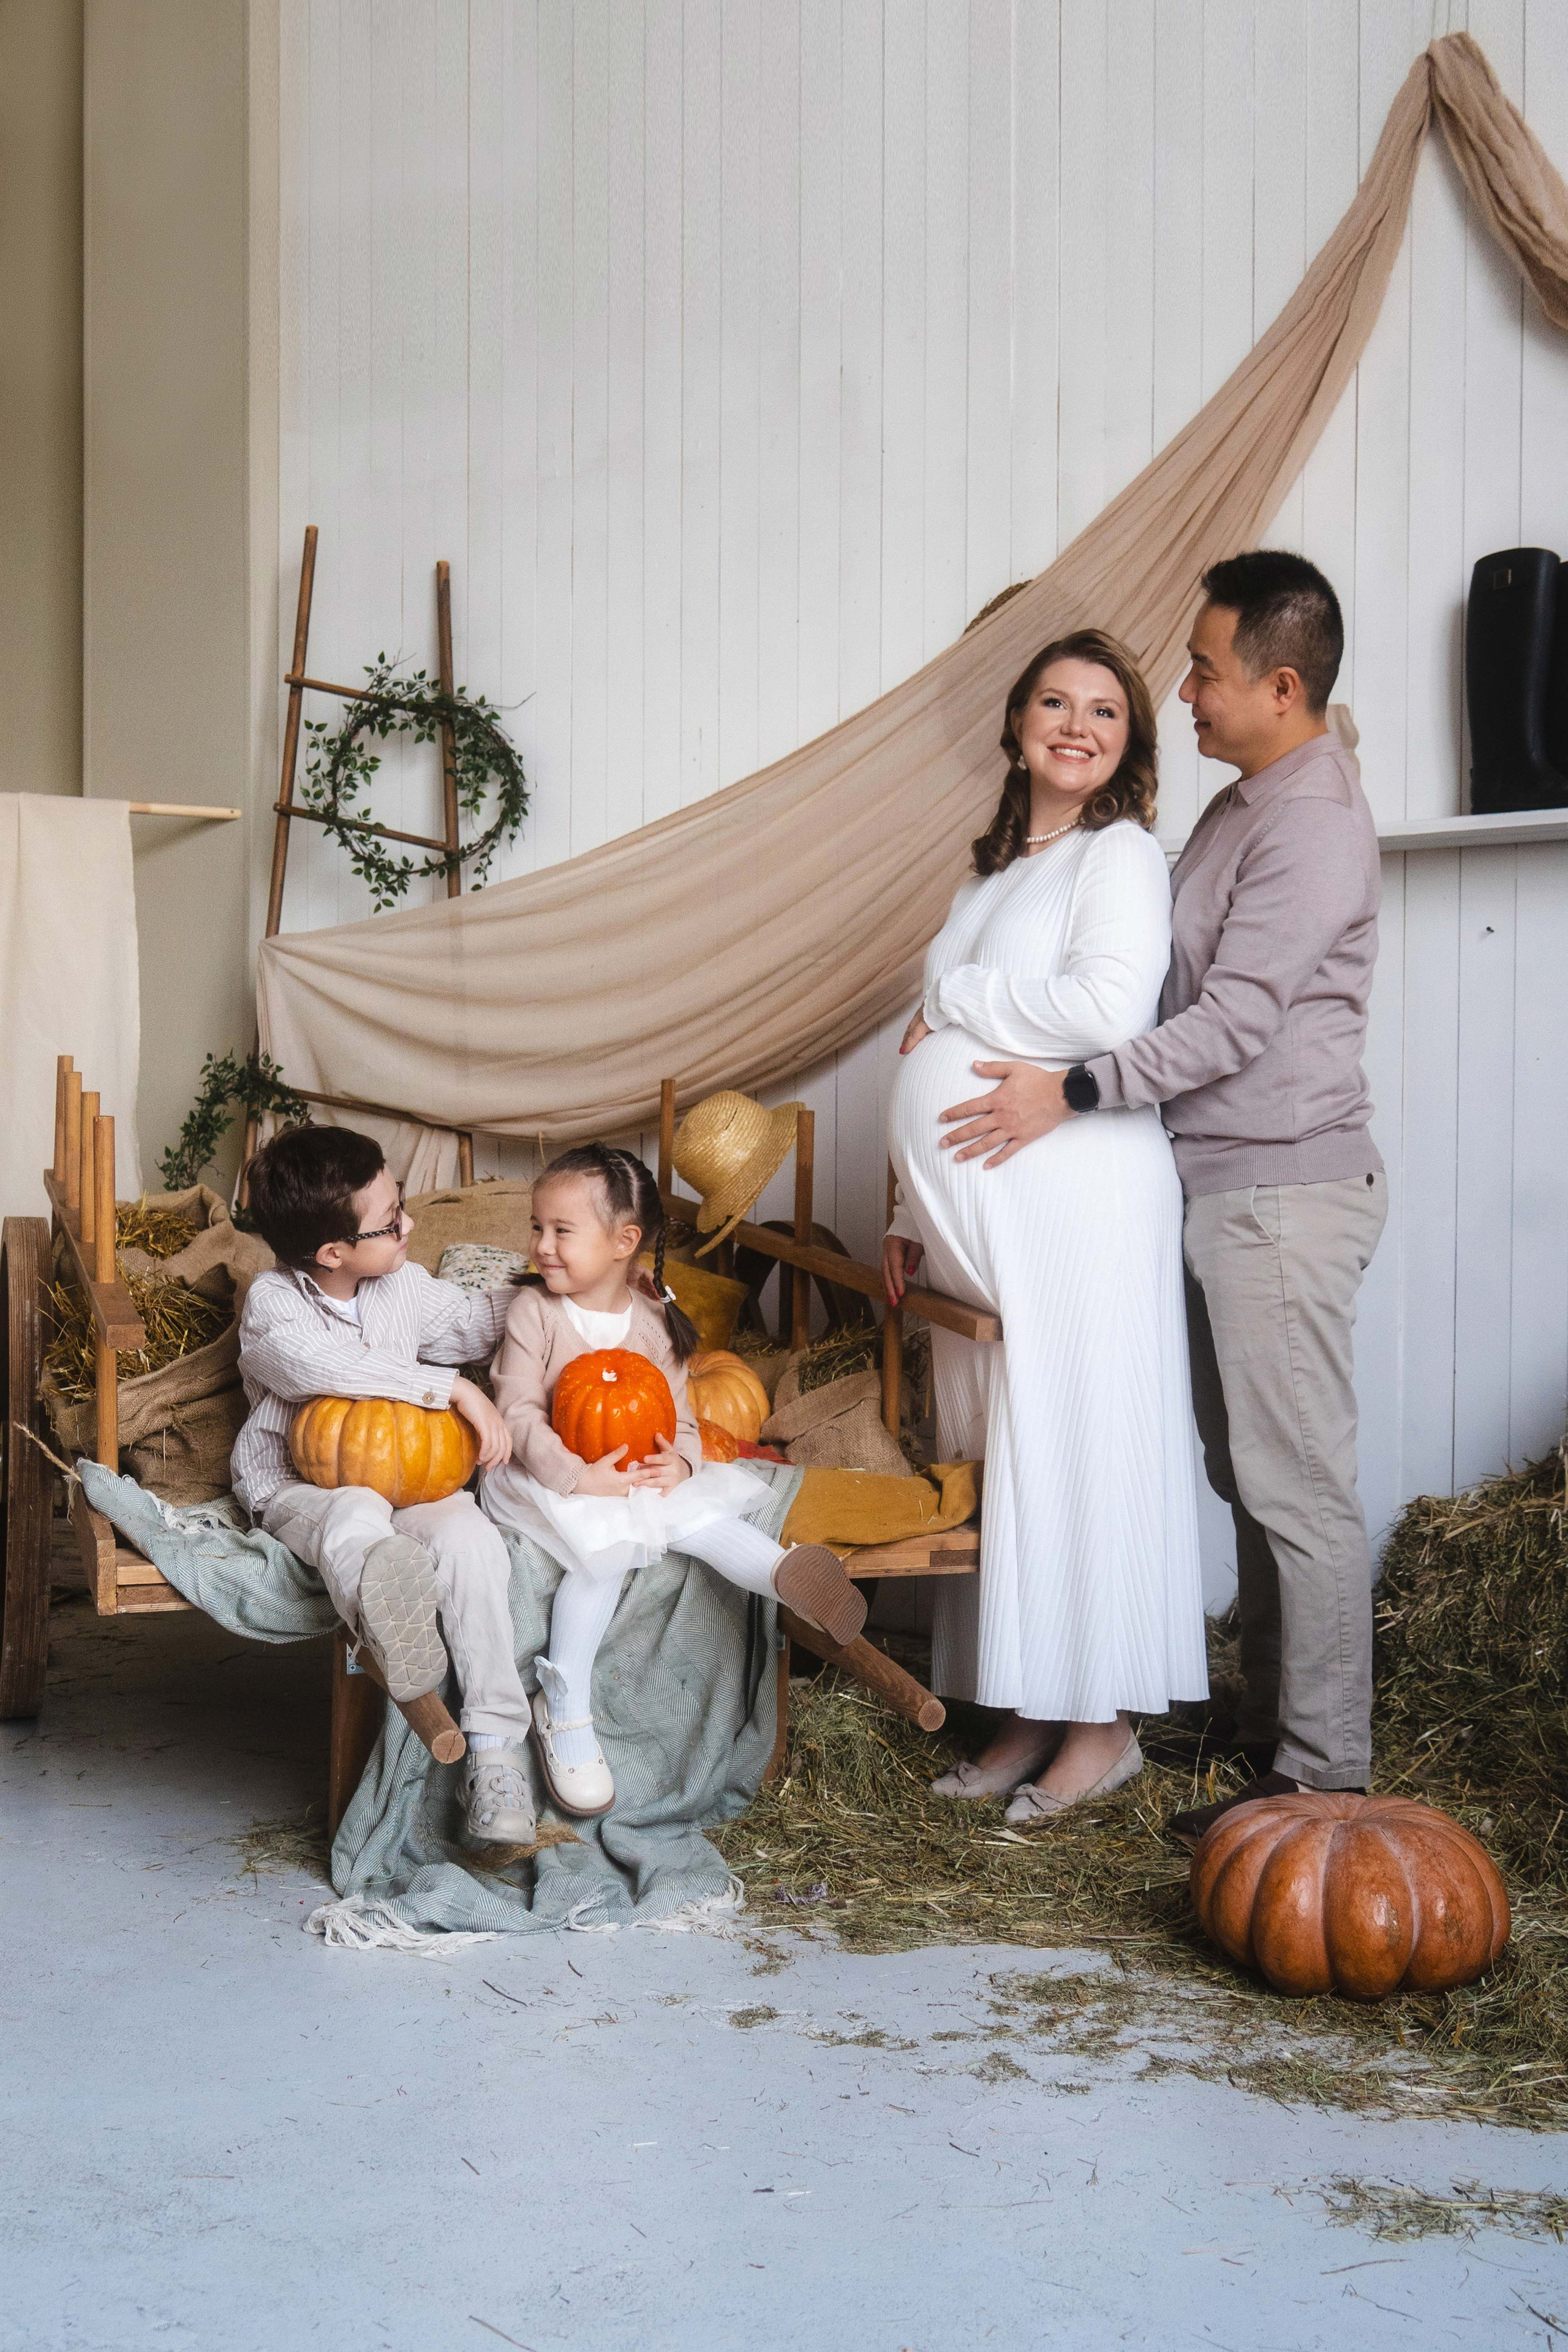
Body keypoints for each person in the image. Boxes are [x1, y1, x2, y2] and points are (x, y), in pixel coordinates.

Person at [933, 553, 1385, 1843]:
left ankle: (1320, 1777)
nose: (1183, 689)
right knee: (1245, 1472)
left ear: (1280, 686)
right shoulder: (1247, 806)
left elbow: (1231, 1021)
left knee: (1295, 1484)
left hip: (1282, 1188)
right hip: (1219, 1186)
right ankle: (1266, 1730)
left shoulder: (1311, 821)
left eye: (1202, 669)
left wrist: (1070, 1091)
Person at [883, 629, 1207, 1822]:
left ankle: (1102, 1730)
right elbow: (938, 1057)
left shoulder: (1117, 854)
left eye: (1104, 711)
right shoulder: (986, 874)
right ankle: (1026, 1708)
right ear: (1017, 724)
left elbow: (1105, 1011)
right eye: (1056, 704)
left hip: (1084, 1196)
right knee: (1006, 1447)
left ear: (1129, 742)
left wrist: (953, 995)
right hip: (998, 1210)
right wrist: (906, 1206)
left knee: (1079, 1444)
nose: (1077, 726)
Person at [481, 1144, 865, 1819]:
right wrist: (575, 1476)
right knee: (605, 1548)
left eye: (562, 1231)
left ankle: (787, 1576)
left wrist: (682, 1464)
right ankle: (564, 1706)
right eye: (537, 1227)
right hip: (550, 1476)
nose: (542, 1245)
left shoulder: (654, 1322)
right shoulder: (534, 1312)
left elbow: (682, 1420)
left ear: (623, 1241)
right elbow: (517, 1410)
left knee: (698, 1512)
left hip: (633, 1473)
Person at [233, 1125, 537, 1847]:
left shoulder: (402, 1283)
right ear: (332, 1252)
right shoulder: (273, 1303)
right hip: (300, 1484)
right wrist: (452, 1390)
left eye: (401, 1204)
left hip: (411, 1485)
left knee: (470, 1539)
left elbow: (471, 1323)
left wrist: (556, 1285)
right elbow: (318, 1367)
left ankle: (496, 1755)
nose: (410, 1226)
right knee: (354, 1513)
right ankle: (389, 1616)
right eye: (392, 1219)